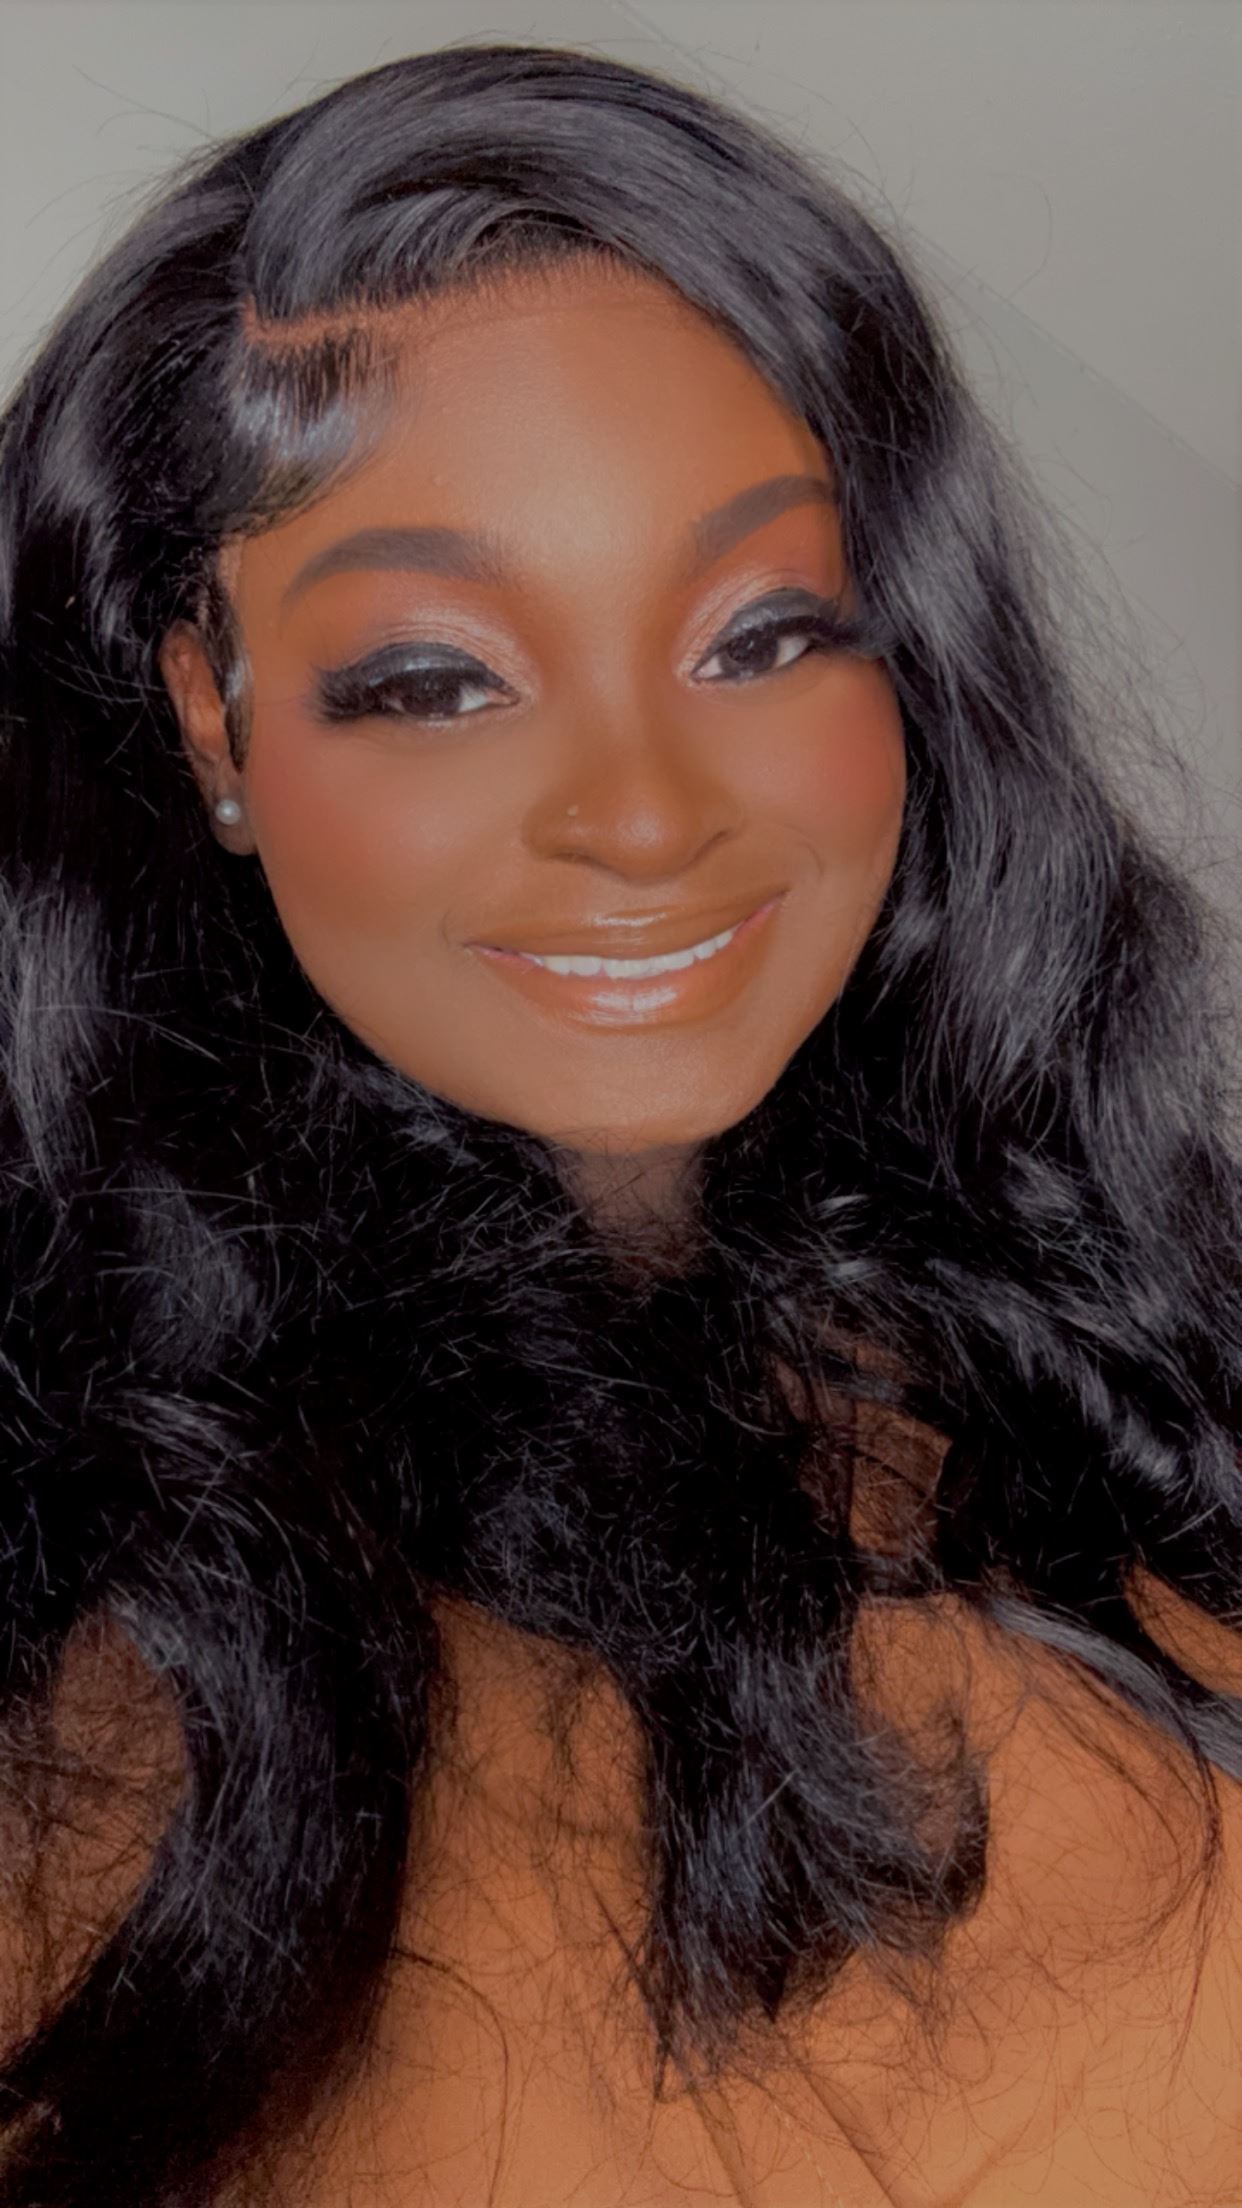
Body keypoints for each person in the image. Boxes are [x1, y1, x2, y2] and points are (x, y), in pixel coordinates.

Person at [0, 37, 1240, 2208]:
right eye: (435, 679)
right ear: (212, 712)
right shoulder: (98, 1667)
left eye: (763, 635)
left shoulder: (1127, 1339)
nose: (649, 820)